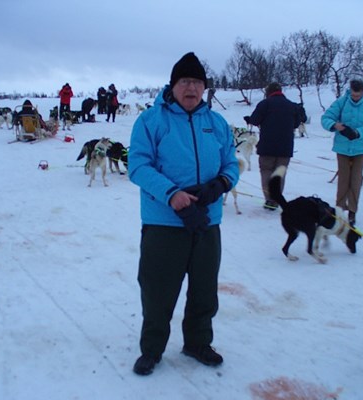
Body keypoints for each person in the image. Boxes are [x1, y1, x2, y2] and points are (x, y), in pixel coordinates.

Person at [128, 52, 239, 376]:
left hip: (207, 221)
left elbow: (231, 163)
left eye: (197, 82)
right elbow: (138, 165)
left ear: (204, 87)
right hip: (164, 222)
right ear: (173, 85)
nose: (191, 88)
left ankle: (197, 342)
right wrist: (172, 194)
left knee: (205, 288)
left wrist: (220, 184)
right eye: (184, 82)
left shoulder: (216, 123)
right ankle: (151, 349)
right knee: (157, 290)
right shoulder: (151, 120)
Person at [321, 79, 363, 225]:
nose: (355, 98)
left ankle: (352, 211)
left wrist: (358, 132)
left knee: (356, 180)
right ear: (350, 91)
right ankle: (340, 210)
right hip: (342, 148)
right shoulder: (341, 102)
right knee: (343, 180)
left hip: (360, 149)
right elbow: (326, 118)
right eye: (353, 95)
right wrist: (335, 125)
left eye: (358, 96)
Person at [243, 82, 300, 210]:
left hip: (267, 146)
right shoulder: (291, 105)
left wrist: (249, 119)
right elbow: (296, 123)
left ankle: (269, 200)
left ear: (268, 92)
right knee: (280, 172)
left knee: (266, 171)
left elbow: (255, 120)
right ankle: (277, 200)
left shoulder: (265, 104)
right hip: (285, 147)